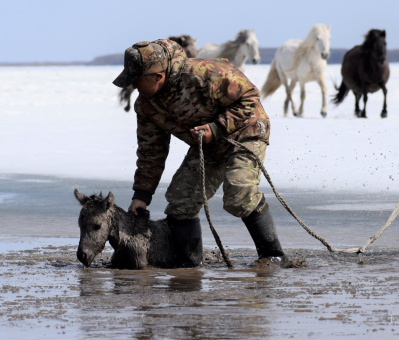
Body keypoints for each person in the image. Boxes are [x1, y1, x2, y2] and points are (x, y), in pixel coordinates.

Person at [112, 39, 287, 267]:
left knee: (239, 194)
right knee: (180, 201)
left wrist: (217, 128)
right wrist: (142, 195)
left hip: (246, 131)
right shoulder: (147, 106)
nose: (133, 87)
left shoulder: (204, 74)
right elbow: (150, 151)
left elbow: (250, 97)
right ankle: (190, 265)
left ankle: (274, 256)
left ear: (157, 76)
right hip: (209, 145)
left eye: (137, 81)